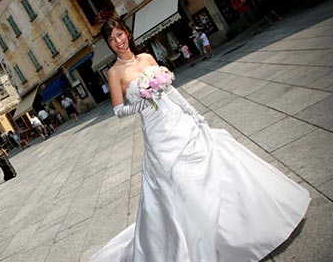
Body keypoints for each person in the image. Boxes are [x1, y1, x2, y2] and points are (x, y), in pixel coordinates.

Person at [89, 16, 310, 262]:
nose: (117, 41)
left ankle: (231, 226)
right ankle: (193, 233)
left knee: (212, 163)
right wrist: (142, 102)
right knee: (180, 182)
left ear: (127, 33)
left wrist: (193, 112)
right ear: (109, 44)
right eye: (111, 39)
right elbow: (118, 110)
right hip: (157, 134)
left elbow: (169, 90)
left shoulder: (148, 58)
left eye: (119, 34)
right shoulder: (114, 72)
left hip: (178, 121)